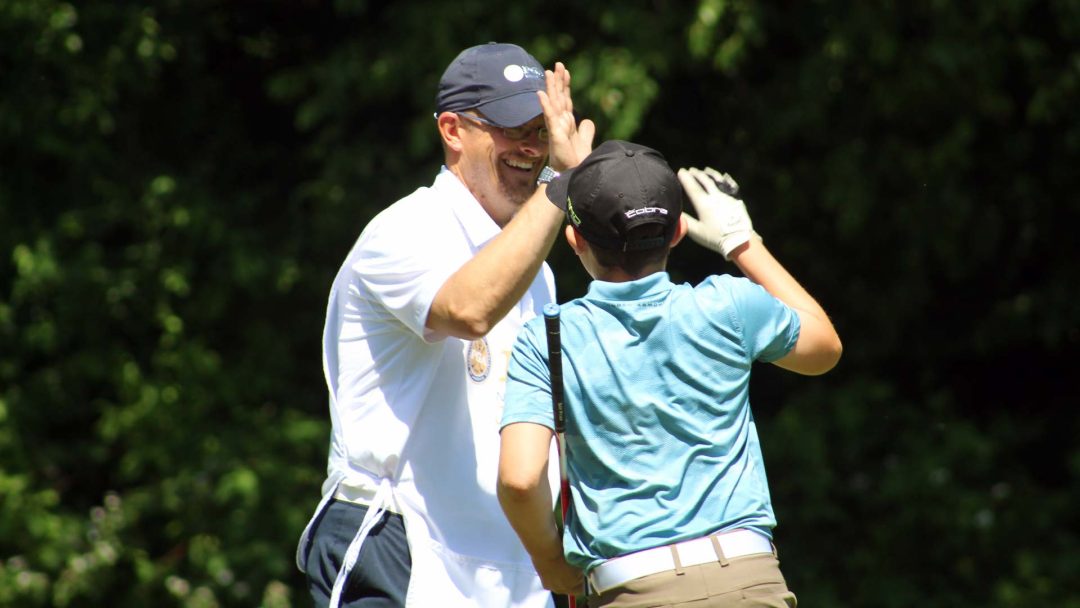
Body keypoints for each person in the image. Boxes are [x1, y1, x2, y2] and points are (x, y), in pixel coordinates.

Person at [295, 42, 595, 608]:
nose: (532, 148)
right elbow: (469, 309)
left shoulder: (539, 274)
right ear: (453, 131)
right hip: (399, 541)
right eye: (512, 129)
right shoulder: (404, 229)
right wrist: (562, 183)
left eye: (541, 130)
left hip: (511, 565)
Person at [497, 140, 843, 607]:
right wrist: (742, 242)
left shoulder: (548, 337)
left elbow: (519, 480)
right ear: (678, 232)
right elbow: (824, 347)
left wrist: (548, 562)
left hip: (628, 588)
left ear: (575, 239)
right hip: (749, 579)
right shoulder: (729, 305)